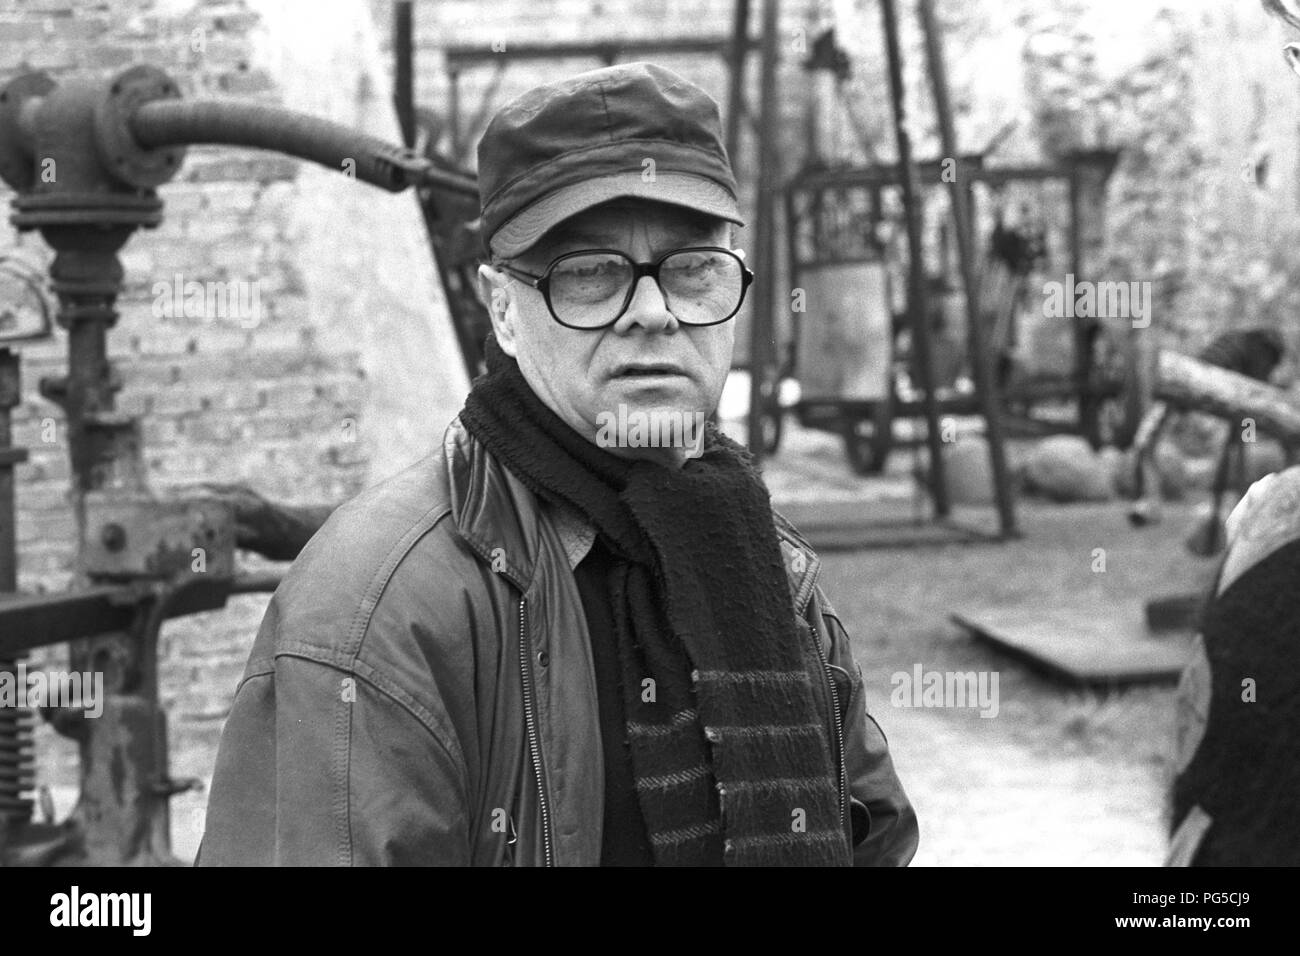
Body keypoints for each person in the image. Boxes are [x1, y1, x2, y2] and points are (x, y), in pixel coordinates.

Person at [198, 61, 918, 866]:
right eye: (590, 275)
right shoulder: (381, 609)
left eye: (692, 268)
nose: (653, 312)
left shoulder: (755, 554)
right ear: (502, 308)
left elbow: (874, 832)